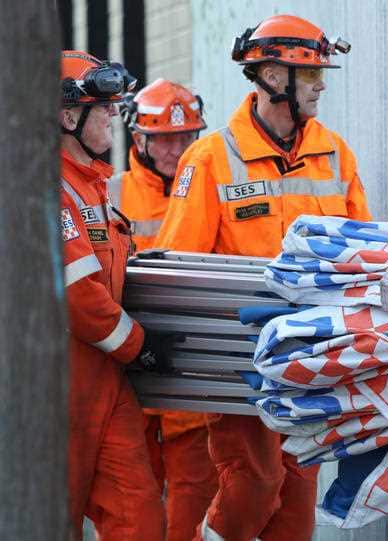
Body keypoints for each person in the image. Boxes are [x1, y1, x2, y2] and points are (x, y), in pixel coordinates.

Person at [153, 15, 371, 541]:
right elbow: (179, 266)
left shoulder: (335, 154)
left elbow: (363, 256)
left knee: (296, 502)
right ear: (273, 77)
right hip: (238, 360)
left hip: (312, 358)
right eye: (311, 74)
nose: (321, 86)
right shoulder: (210, 159)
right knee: (255, 482)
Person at [60, 49, 176, 540]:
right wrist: (140, 345)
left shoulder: (92, 185)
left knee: (139, 517)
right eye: (102, 106)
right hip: (55, 387)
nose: (113, 113)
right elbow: (76, 295)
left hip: (105, 380)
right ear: (68, 117)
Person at [109, 78, 219, 541]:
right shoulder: (111, 194)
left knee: (193, 505)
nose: (176, 149)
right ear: (140, 140)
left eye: (185, 137)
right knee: (132, 507)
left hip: (188, 373)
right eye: (164, 139)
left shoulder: (211, 187)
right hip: (129, 371)